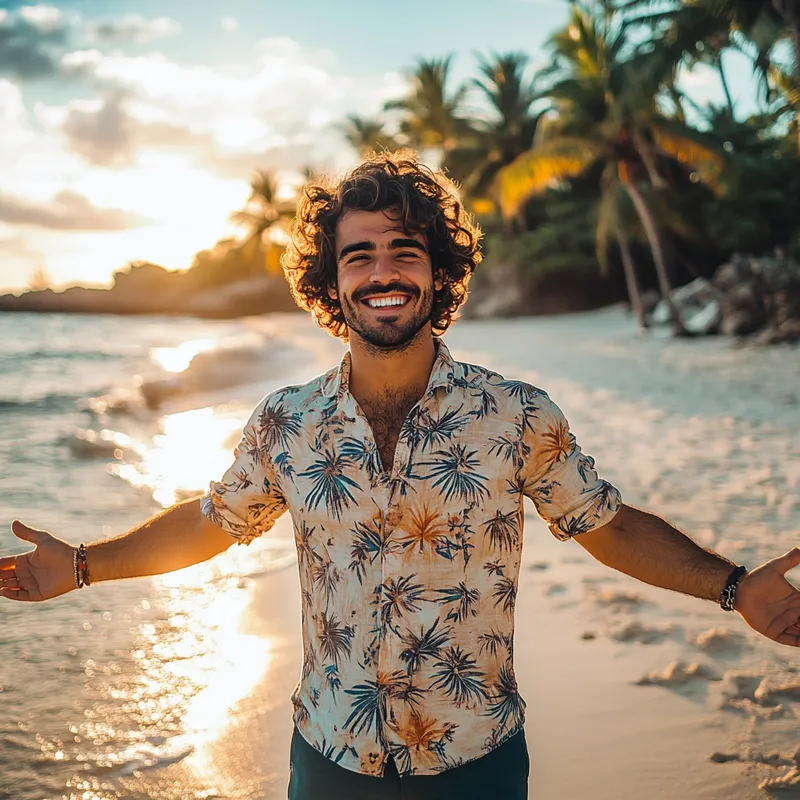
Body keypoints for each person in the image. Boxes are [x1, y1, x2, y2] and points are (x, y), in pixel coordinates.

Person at [1, 150, 799, 800]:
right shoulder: (287, 422)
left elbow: (608, 526)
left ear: (439, 273)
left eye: (404, 253)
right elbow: (213, 521)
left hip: (476, 760)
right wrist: (83, 566)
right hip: (330, 758)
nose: (383, 273)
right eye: (360, 256)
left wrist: (733, 588)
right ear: (331, 282)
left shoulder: (515, 414)